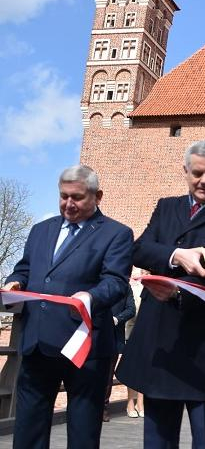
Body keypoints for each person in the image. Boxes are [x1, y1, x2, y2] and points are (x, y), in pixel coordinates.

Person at [116, 140, 205, 449]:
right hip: (160, 341)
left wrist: (177, 292)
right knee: (158, 440)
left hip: (204, 345)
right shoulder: (167, 206)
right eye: (197, 173)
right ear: (186, 172)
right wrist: (178, 255)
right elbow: (139, 248)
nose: (204, 181)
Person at [2, 165, 133, 449]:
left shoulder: (117, 234)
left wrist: (90, 298)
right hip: (37, 342)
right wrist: (15, 283)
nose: (68, 204)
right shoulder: (40, 230)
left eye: (77, 197)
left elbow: (115, 282)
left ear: (97, 196)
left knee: (83, 433)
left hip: (85, 348)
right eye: (63, 197)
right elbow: (24, 269)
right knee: (28, 431)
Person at [103, 283, 135, 421]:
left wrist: (116, 319)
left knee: (108, 376)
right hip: (93, 336)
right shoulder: (97, 280)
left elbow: (131, 309)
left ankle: (103, 408)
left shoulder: (125, 287)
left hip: (114, 338)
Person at [124, 267, 146, 418]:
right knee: (131, 367)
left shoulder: (147, 286)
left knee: (144, 368)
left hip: (145, 331)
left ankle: (141, 402)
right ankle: (130, 403)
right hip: (129, 330)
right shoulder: (127, 286)